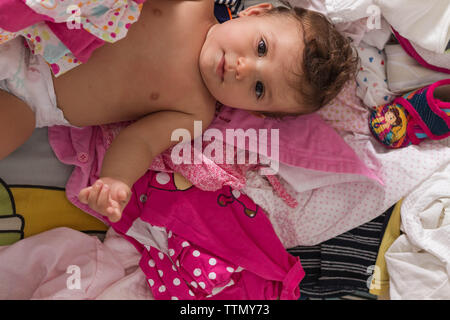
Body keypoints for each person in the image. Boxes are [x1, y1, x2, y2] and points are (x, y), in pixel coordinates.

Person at [0, 0, 358, 222]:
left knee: (11, 128)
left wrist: (117, 180)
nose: (244, 68)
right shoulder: (192, 4)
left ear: (258, 113)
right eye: (261, 47)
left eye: (259, 89)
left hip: (33, 99)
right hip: (37, 27)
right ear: (254, 12)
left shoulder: (194, 113)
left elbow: (139, 142)